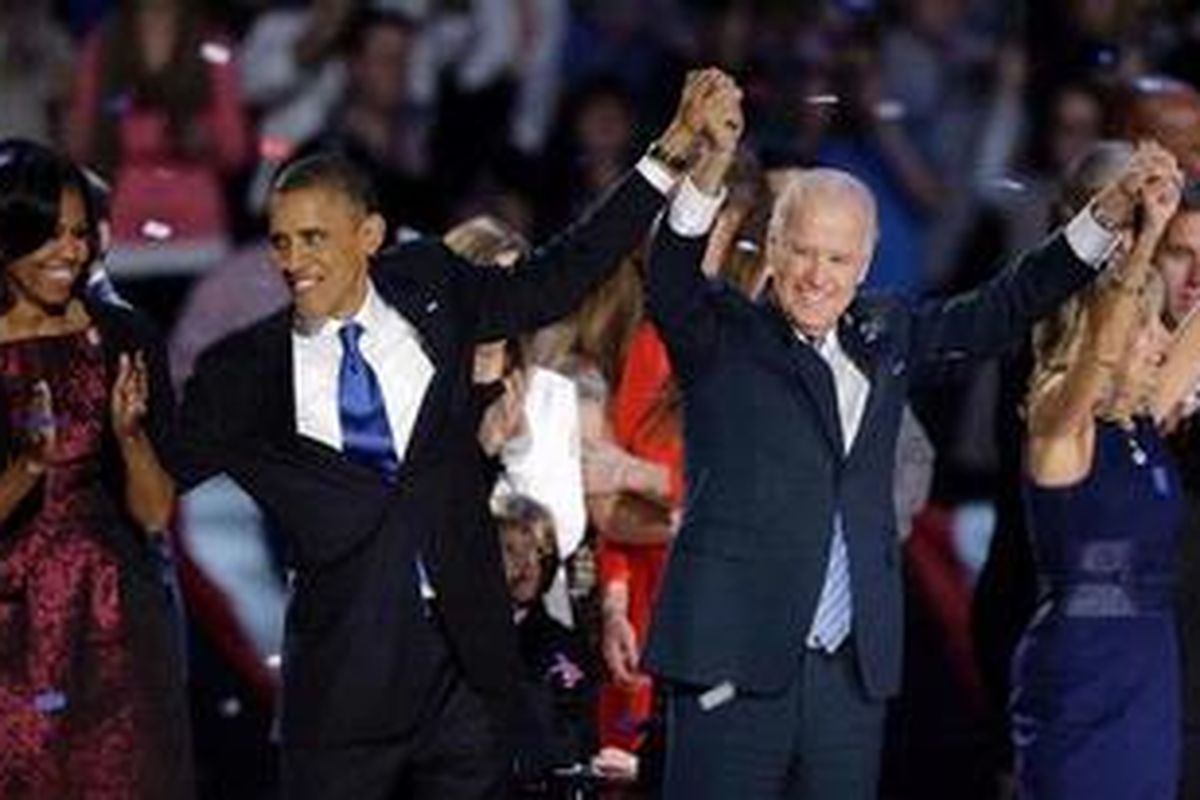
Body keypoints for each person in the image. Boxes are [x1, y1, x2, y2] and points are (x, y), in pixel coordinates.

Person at [172, 70, 740, 800]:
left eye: (315, 238)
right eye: (281, 242)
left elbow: (564, 271)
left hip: (466, 673)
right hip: (345, 684)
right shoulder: (250, 368)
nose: (294, 261)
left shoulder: (434, 289)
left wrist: (667, 154)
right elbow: (159, 470)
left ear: (370, 236)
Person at [641, 84, 1180, 797]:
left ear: (865, 263)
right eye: (802, 252)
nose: (816, 276)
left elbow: (1004, 306)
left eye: (837, 259)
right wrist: (707, 168)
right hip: (732, 660)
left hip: (848, 673)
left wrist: (1106, 218)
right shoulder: (724, 334)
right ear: (773, 248)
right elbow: (671, 277)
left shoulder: (886, 331)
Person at [0, 139, 192, 798]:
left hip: (114, 620)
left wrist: (130, 436)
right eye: (47, 234)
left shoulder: (123, 337)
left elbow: (156, 512)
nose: (70, 251)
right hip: (10, 628)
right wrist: (28, 466)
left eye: (80, 234)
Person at [1012, 151, 1200, 798]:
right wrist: (1147, 237)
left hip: (1150, 677)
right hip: (1080, 681)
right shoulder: (1060, 421)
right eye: (1148, 327)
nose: (1160, 341)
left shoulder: (1140, 418)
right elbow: (1099, 351)